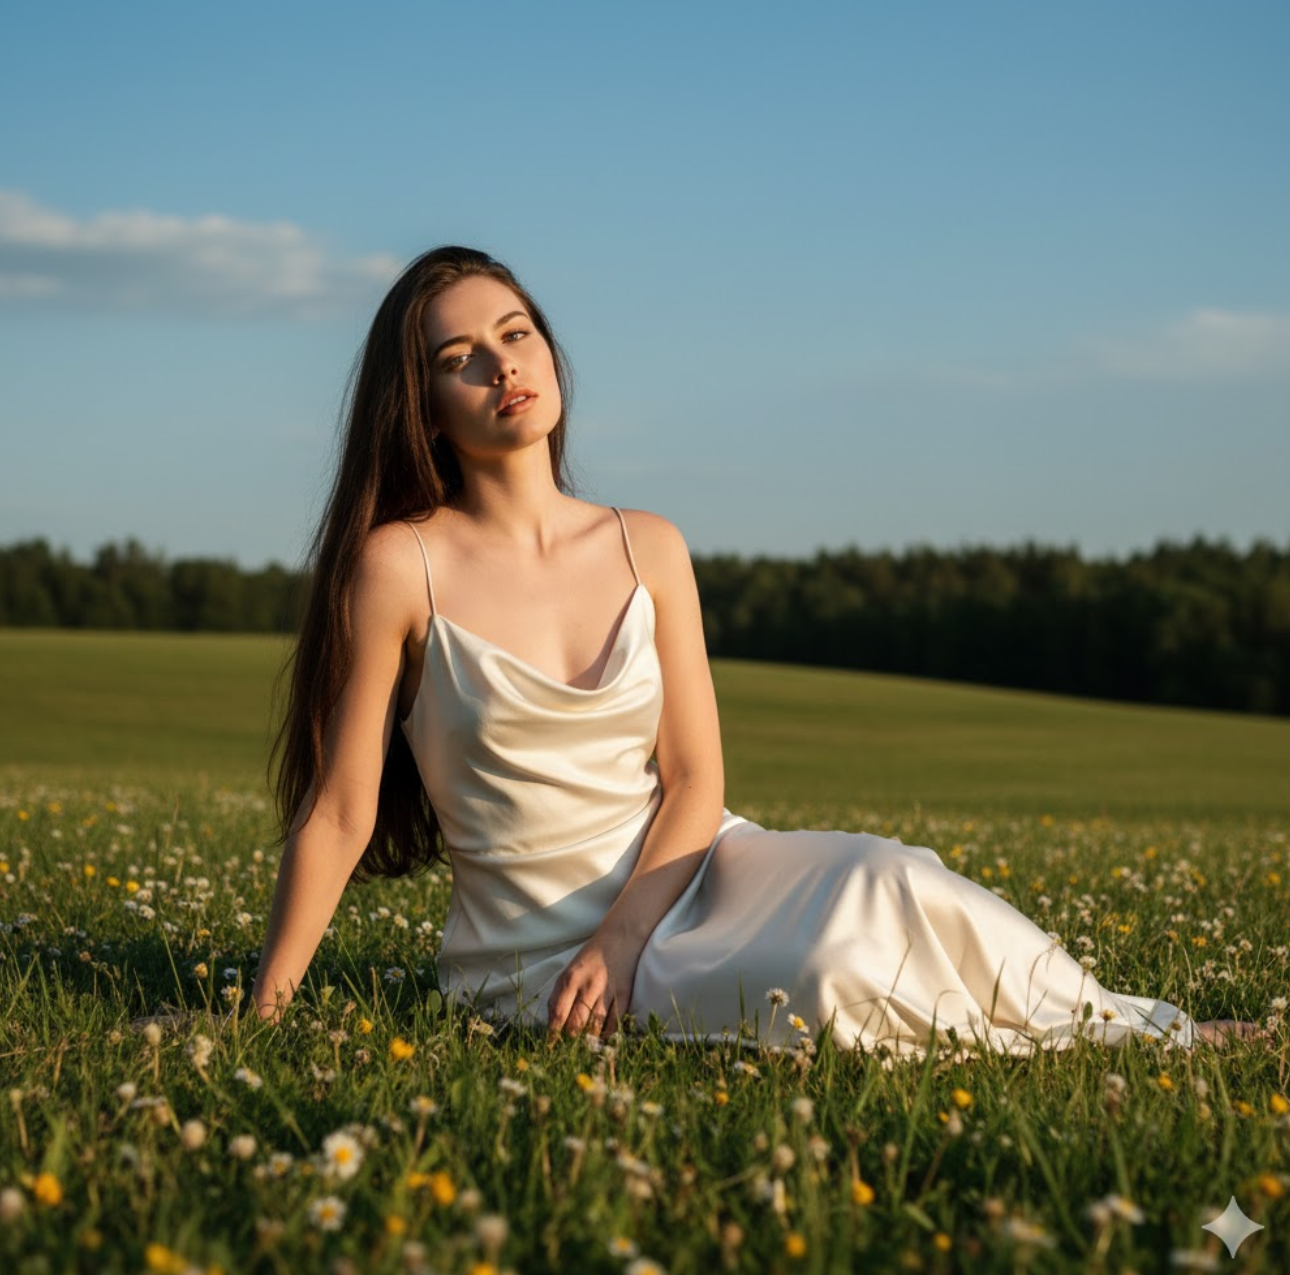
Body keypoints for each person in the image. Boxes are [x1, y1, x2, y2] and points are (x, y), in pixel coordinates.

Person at [250, 245, 1261, 1055]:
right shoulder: (402, 566)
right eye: (458, 355)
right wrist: (263, 1015)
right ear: (423, 404)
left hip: (688, 872)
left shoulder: (648, 544)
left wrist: (625, 935)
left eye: (516, 333)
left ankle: (1139, 1028)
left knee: (887, 877)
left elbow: (693, 781)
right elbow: (342, 811)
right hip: (537, 955)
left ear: (551, 354)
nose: (501, 364)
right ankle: (1068, 1049)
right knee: (825, 978)